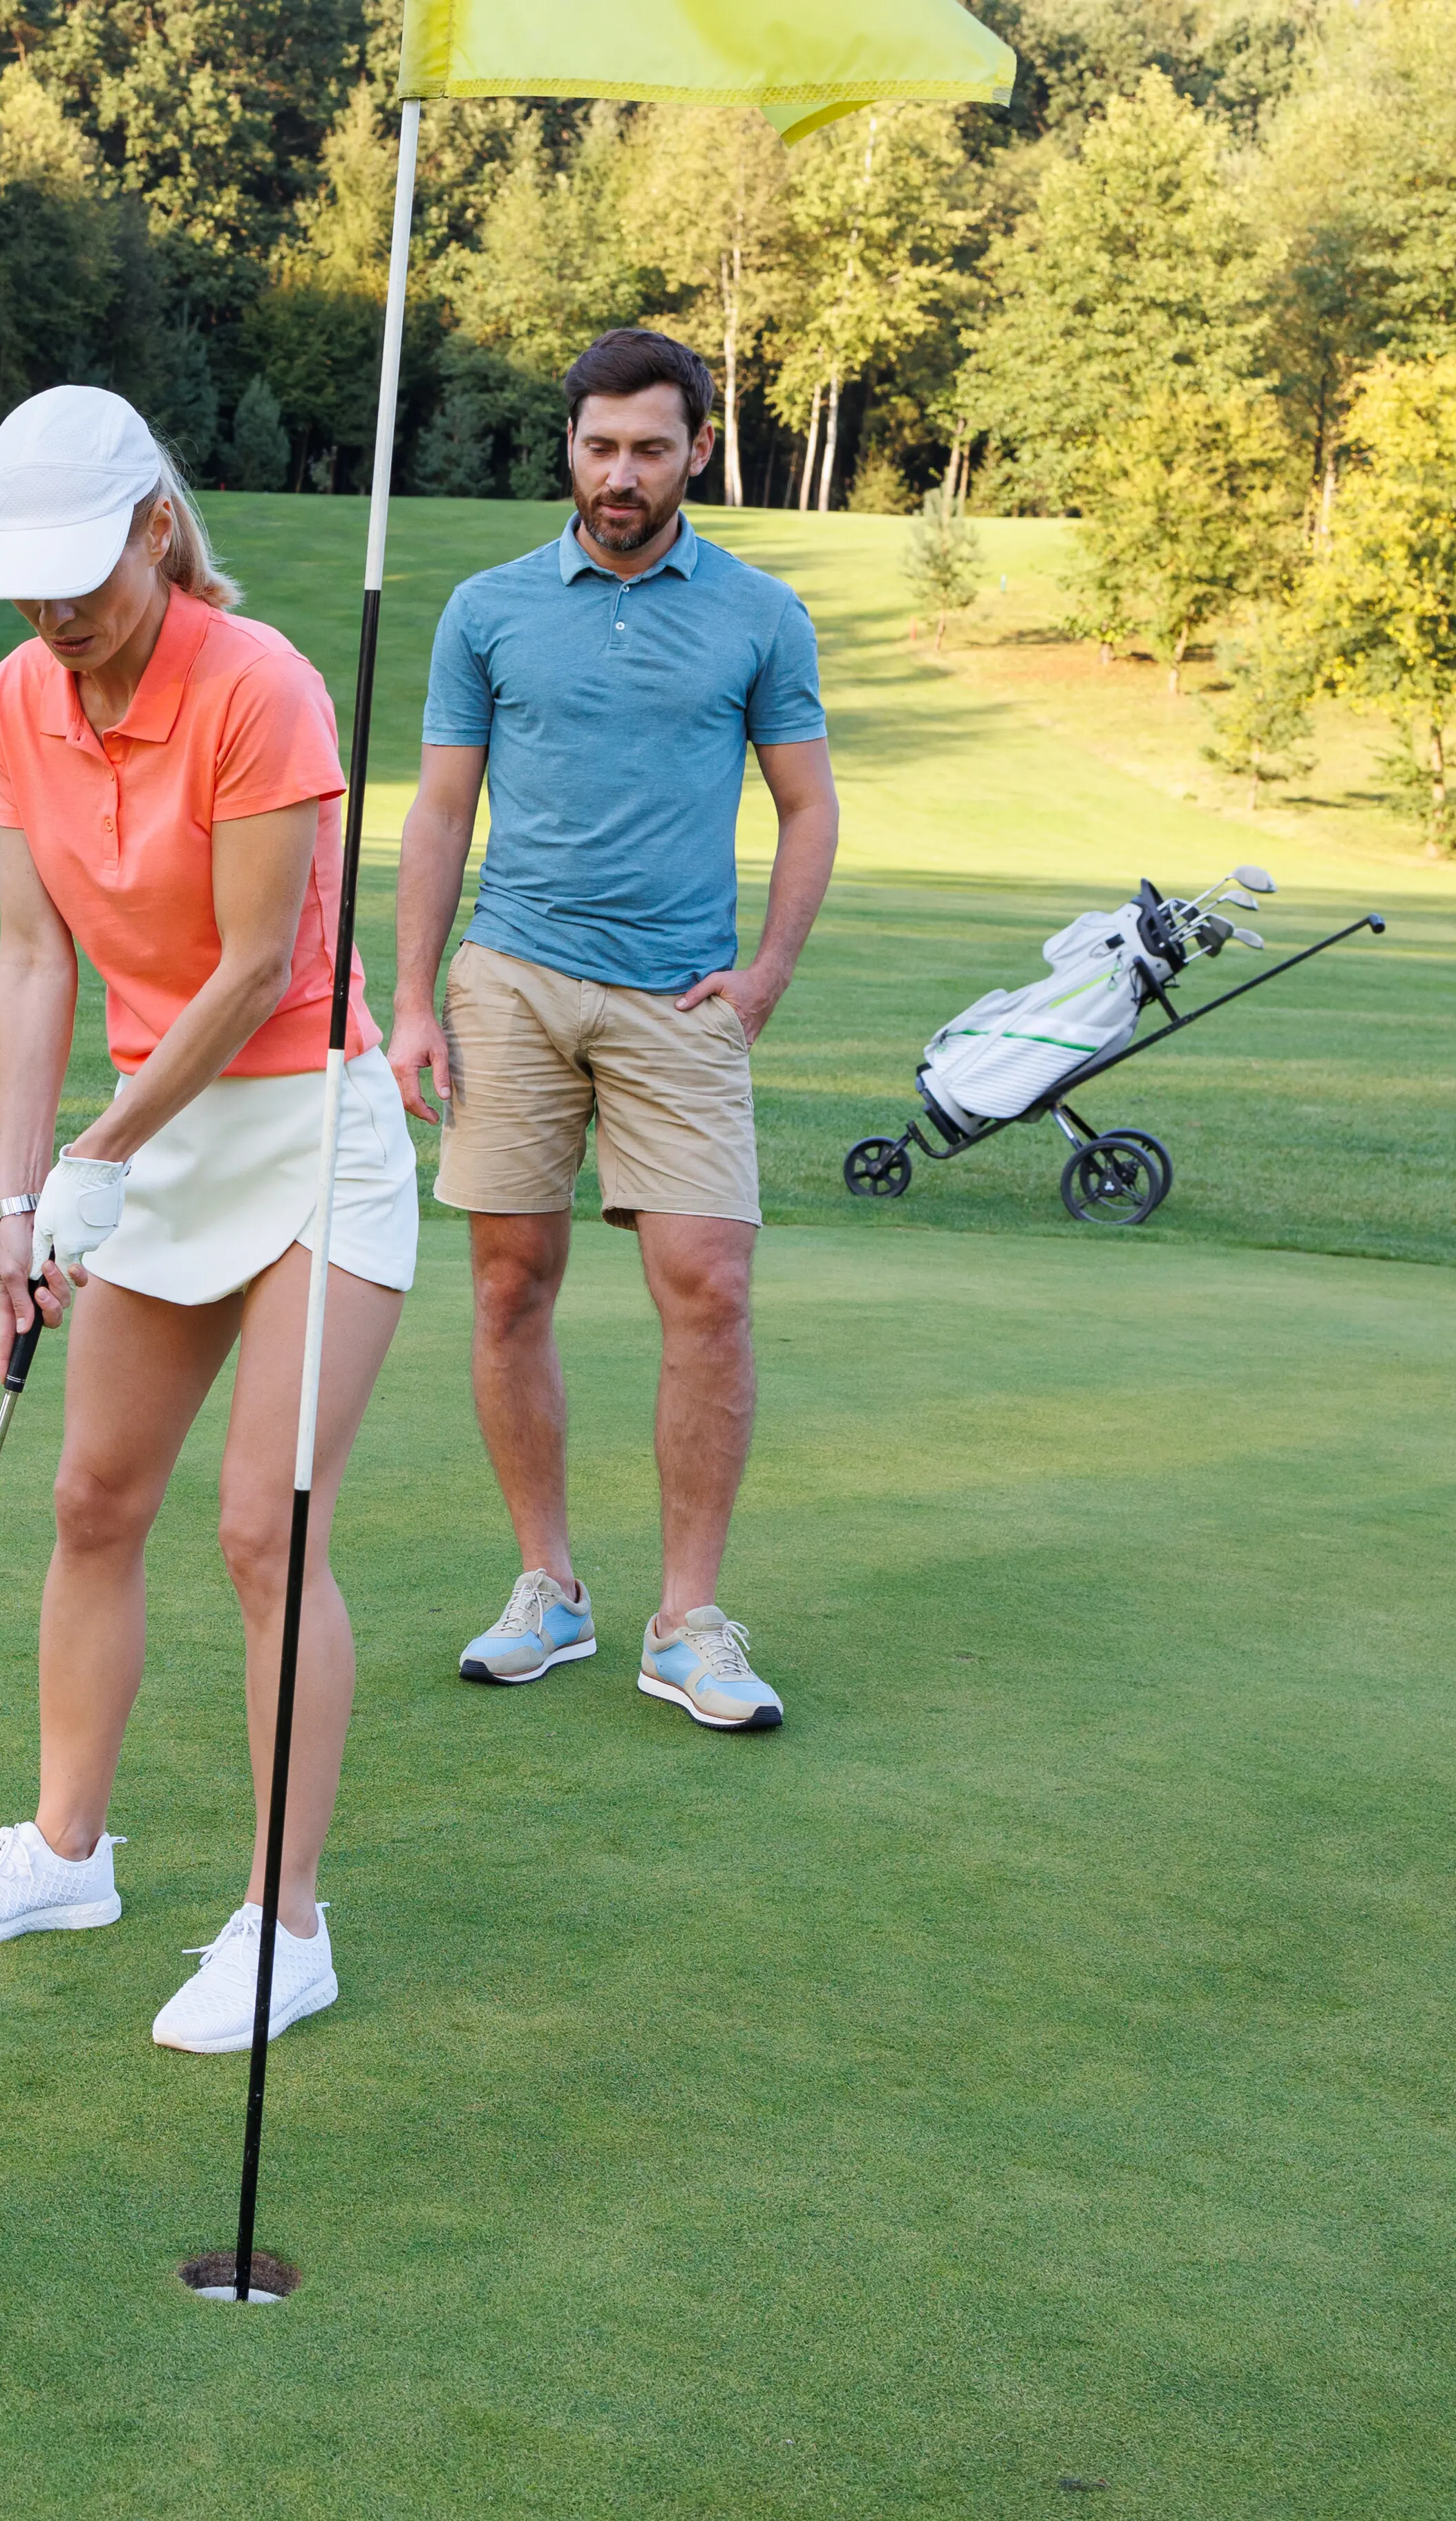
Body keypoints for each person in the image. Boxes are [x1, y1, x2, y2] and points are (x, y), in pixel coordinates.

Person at [0, 384, 419, 2053]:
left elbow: (263, 965)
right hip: (150, 1141)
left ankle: (289, 1924)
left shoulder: (258, 684)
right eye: (26, 582)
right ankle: (66, 1852)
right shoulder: (8, 702)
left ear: (156, 530)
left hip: (309, 1130)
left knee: (265, 1530)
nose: (56, 612)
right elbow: (36, 957)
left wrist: (96, 1154)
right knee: (93, 1497)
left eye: (83, 574)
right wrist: (16, 1190)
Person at [386, 327, 840, 1732]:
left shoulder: (762, 615)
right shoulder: (490, 608)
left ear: (698, 450)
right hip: (512, 980)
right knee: (511, 1286)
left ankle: (688, 1620)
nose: (622, 474)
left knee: (709, 1287)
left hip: (682, 994)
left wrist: (766, 974)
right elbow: (442, 810)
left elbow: (809, 806)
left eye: (651, 448)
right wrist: (409, 998)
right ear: (569, 450)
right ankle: (549, 1589)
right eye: (600, 447)